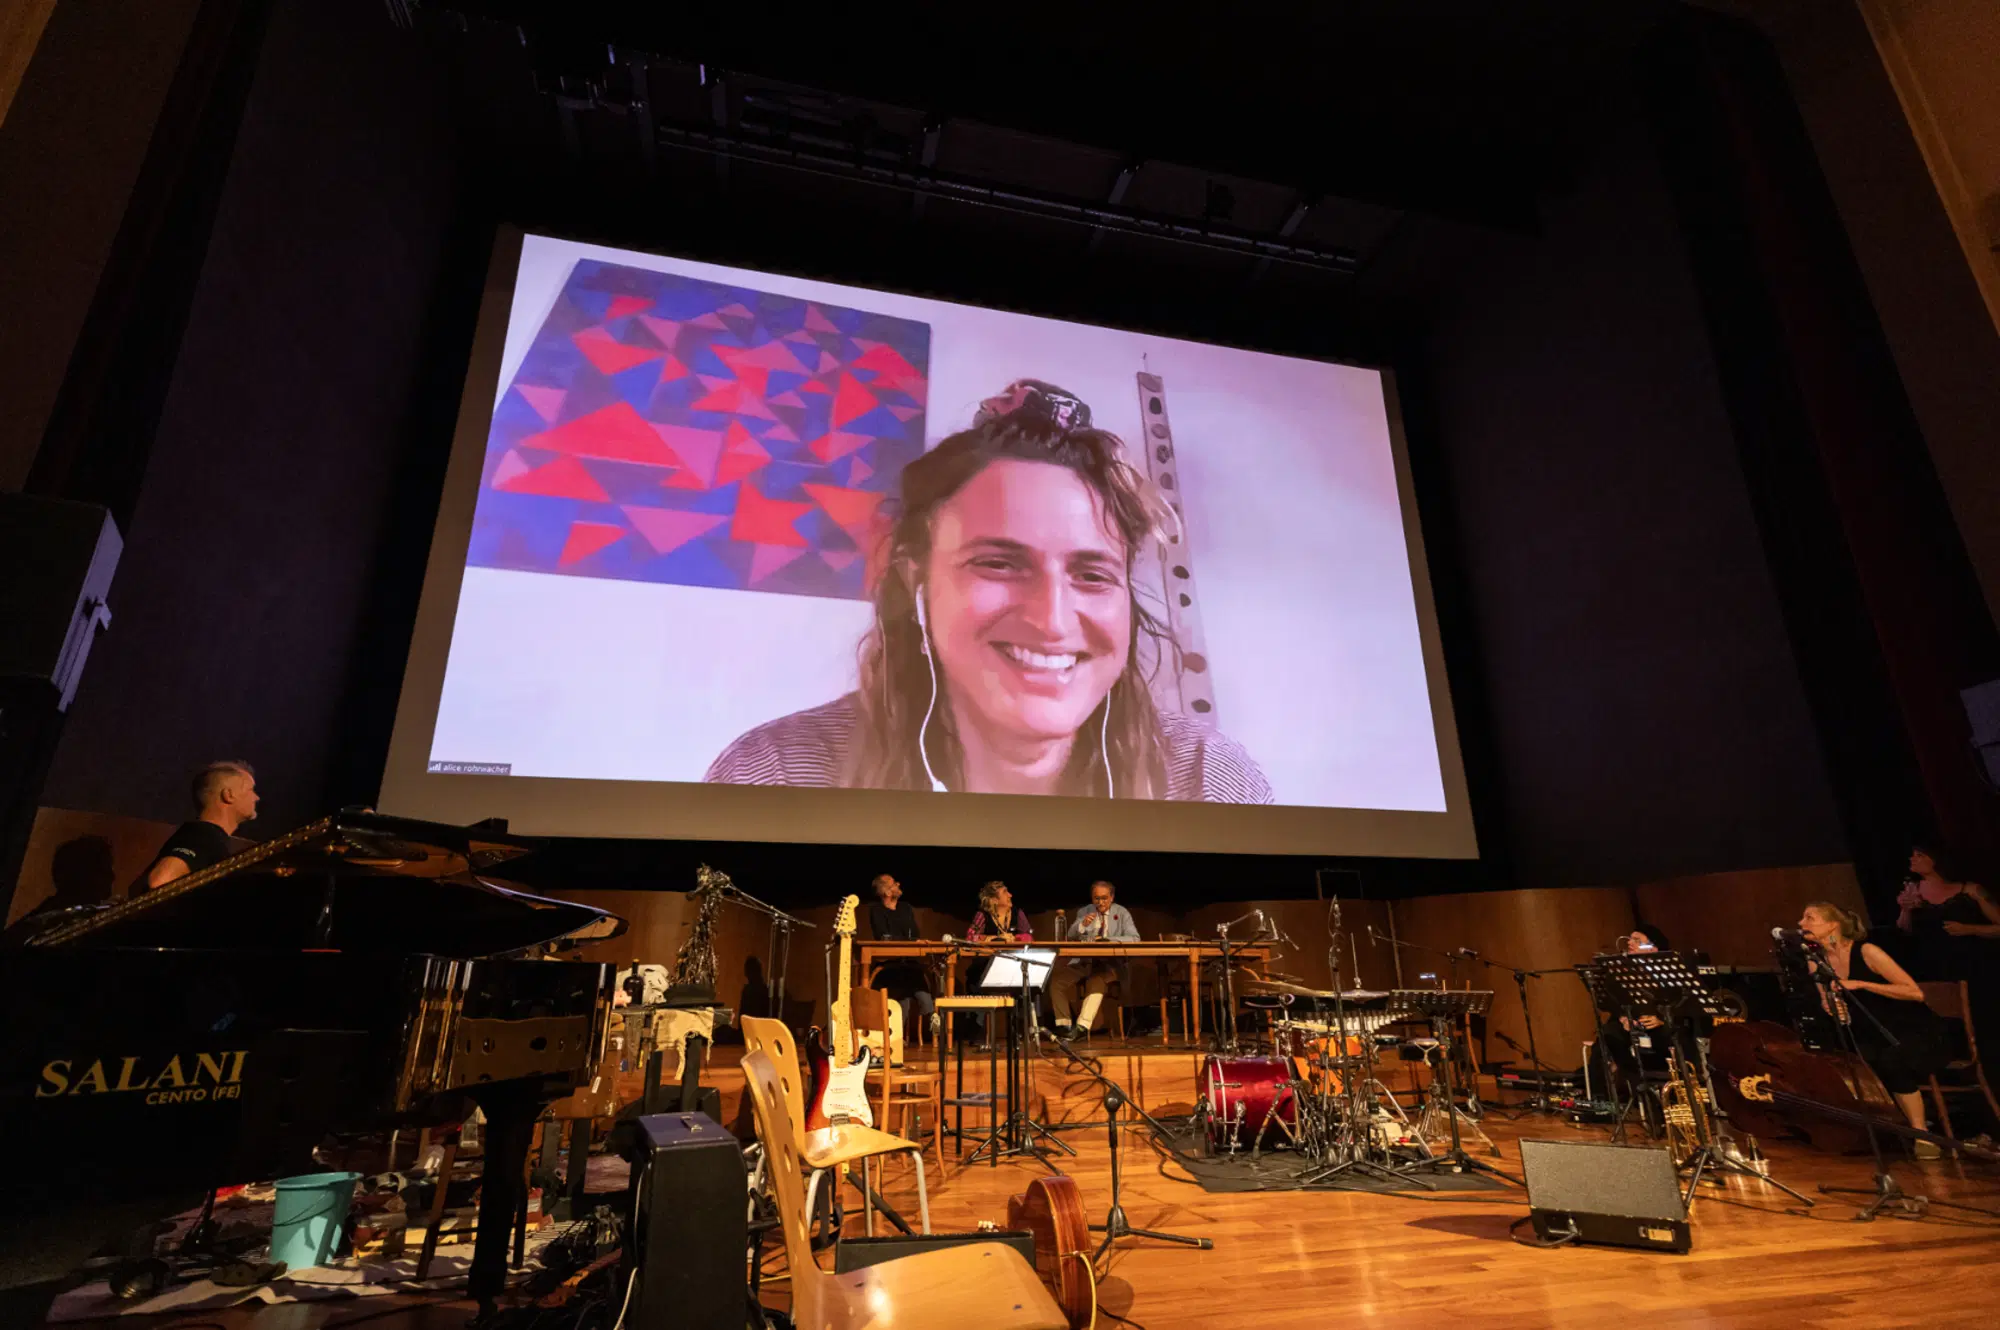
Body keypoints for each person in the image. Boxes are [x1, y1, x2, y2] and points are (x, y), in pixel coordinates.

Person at [705, 379, 1273, 803]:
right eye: (999, 564)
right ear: (914, 579)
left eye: (1092, 574)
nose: (1052, 620)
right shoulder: (780, 775)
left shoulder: (1207, 781)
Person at [1798, 901, 1949, 1157]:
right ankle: (1883, 1132)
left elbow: (1915, 992)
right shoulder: (1816, 961)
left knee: (1891, 1060)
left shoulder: (1867, 951)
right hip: (1870, 1034)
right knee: (1854, 1062)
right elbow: (1827, 1001)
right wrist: (1836, 1010)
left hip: (1914, 1031)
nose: (1802, 924)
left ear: (1833, 924)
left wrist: (1863, 984)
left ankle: (1922, 1133)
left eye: (1810, 918)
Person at [142, 761, 259, 889]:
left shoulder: (205, 837)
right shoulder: (203, 836)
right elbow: (160, 880)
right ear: (229, 795)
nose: (256, 797)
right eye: (251, 790)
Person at [1051, 880, 1138, 1036]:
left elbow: (1134, 938)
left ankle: (1082, 1027)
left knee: (1096, 980)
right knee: (1057, 982)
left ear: (1112, 897)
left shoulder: (1122, 913)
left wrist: (1108, 940)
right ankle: (1064, 1026)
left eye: (1104, 898)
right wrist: (1082, 925)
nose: (1100, 902)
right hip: (1086, 963)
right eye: (1096, 898)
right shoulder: (1085, 911)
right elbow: (1070, 936)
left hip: (1111, 965)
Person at [866, 873, 935, 1039]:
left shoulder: (905, 908)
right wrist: (907, 941)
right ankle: (927, 1017)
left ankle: (903, 1034)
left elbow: (915, 934)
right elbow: (883, 936)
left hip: (909, 961)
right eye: (893, 884)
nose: (898, 884)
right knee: (904, 984)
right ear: (887, 893)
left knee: (913, 979)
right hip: (889, 963)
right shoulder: (876, 910)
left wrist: (910, 942)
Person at [965, 880, 1032, 942]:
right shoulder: (983, 915)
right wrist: (995, 938)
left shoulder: (1017, 913)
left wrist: (1015, 938)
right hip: (990, 953)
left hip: (1012, 953)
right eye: (1004, 892)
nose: (1010, 895)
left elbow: (1029, 937)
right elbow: (969, 937)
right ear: (995, 900)